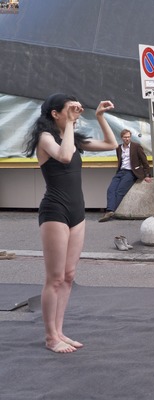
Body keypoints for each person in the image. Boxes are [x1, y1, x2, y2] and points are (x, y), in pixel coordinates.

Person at [23, 93, 119, 353]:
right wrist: (69, 125)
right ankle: (50, 337)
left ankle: (59, 331)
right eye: (70, 109)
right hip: (55, 211)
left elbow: (111, 143)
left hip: (77, 211)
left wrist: (99, 116)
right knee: (54, 278)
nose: (76, 113)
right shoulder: (46, 138)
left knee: (68, 276)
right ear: (55, 113)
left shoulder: (72, 138)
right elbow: (64, 157)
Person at [98, 129, 152, 222]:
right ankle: (110, 211)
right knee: (110, 190)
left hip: (131, 172)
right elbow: (120, 160)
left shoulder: (136, 146)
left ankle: (110, 211)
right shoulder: (119, 148)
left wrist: (147, 175)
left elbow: (145, 161)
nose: (127, 139)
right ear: (122, 138)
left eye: (128, 137)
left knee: (120, 191)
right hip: (120, 172)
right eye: (125, 137)